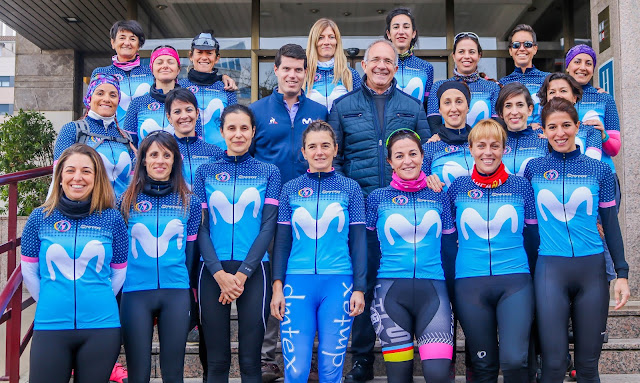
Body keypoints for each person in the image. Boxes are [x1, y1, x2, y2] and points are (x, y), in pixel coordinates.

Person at [328, 39, 429, 382]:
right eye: (376, 60)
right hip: (362, 212)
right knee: (365, 281)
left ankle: (412, 348)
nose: (382, 66)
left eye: (389, 61)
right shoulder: (343, 107)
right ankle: (362, 358)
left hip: (405, 214)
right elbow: (336, 159)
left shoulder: (413, 107)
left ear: (396, 67)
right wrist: (348, 196)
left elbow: (424, 155)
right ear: (365, 65)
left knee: (402, 280)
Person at [524, 97, 630, 382]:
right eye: (553, 127)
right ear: (543, 131)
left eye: (567, 125)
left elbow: (610, 223)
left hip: (591, 271)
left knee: (587, 367)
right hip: (549, 272)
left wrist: (621, 273)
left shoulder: (600, 170)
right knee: (554, 364)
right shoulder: (533, 169)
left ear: (577, 126)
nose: (560, 133)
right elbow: (529, 229)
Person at [21, 144, 128, 383]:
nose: (77, 177)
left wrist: (95, 296)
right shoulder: (40, 217)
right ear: (60, 177)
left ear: (96, 177)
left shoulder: (112, 218)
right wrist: (53, 298)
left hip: (101, 326)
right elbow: (29, 271)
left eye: (86, 171)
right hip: (51, 324)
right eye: (70, 170)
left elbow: (119, 272)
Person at [270, 121, 366, 383]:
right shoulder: (290, 188)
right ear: (303, 152)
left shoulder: (351, 188)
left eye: (325, 145)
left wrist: (359, 287)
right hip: (296, 283)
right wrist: (277, 286)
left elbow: (358, 243)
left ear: (335, 149)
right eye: (312, 146)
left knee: (330, 369)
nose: (319, 151)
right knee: (297, 370)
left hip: (339, 284)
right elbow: (281, 242)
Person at [192, 104, 280, 383]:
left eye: (244, 128)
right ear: (221, 131)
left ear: (254, 131)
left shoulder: (269, 171)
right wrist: (219, 273)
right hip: (211, 273)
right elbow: (200, 228)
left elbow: (268, 228)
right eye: (231, 128)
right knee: (216, 361)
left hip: (255, 272)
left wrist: (241, 275)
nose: (238, 134)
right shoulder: (205, 172)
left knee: (251, 361)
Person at [448, 119, 539, 383]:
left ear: (504, 150)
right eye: (481, 146)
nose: (488, 152)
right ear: (471, 149)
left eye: (494, 146)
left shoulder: (521, 186)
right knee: (483, 365)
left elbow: (533, 238)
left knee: (514, 360)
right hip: (469, 285)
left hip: (515, 282)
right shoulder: (457, 188)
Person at [366, 129, 455, 383]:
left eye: (413, 154)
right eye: (400, 155)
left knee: (438, 376)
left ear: (422, 156)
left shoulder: (439, 194)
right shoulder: (377, 199)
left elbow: (450, 247)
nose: (408, 161)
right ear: (389, 162)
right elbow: (369, 248)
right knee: (399, 378)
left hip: (434, 292)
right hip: (390, 294)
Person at [118, 131, 202, 383]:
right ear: (143, 159)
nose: (160, 161)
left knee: (173, 372)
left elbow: (191, 254)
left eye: (167, 155)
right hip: (134, 293)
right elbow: (118, 254)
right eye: (153, 154)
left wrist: (188, 289)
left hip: (175, 292)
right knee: (139, 373)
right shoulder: (124, 200)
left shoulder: (190, 201)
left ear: (175, 160)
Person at [250, 43, 329, 185]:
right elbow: (246, 158)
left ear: (305, 72)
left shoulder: (320, 112)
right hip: (268, 199)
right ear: (276, 70)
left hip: (308, 198)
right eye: (286, 69)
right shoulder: (255, 111)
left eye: (298, 70)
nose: (292, 75)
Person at [54, 73, 136, 198]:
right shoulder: (72, 130)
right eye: (100, 93)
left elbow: (132, 181)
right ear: (89, 97)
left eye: (113, 95)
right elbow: (59, 177)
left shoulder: (125, 137)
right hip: (87, 213)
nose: (107, 99)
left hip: (120, 214)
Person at [565, 44, 621, 205]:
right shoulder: (557, 98)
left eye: (588, 63)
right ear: (567, 66)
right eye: (577, 61)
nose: (583, 67)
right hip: (566, 179)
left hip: (604, 177)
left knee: (604, 230)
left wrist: (603, 135)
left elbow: (615, 149)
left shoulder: (605, 99)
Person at [123, 45, 199, 146]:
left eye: (170, 62)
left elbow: (197, 141)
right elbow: (128, 144)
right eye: (159, 62)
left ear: (178, 69)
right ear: (152, 69)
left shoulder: (189, 101)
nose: (165, 66)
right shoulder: (137, 103)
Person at [427, 32, 500, 134]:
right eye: (461, 52)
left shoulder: (492, 87)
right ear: (453, 56)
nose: (466, 56)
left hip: (482, 147)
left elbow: (497, 126)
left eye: (472, 52)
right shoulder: (438, 87)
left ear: (479, 56)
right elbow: (434, 125)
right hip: (449, 147)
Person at [180, 32, 238, 148]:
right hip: (187, 155)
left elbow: (234, 125)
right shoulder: (179, 87)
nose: (204, 57)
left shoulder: (227, 88)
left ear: (217, 58)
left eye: (209, 53)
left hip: (220, 153)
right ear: (191, 56)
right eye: (199, 52)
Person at [92, 20, 154, 123]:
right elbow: (92, 108)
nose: (127, 43)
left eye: (132, 39)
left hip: (145, 135)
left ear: (139, 45)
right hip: (112, 134)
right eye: (122, 38)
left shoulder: (151, 72)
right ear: (113, 43)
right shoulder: (101, 74)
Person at [166, 88, 224, 190]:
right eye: (177, 112)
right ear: (169, 117)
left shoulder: (215, 152)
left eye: (189, 110)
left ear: (197, 113)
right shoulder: (164, 151)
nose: (184, 116)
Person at [422, 81, 474, 192]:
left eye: (459, 102)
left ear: (468, 107)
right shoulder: (428, 149)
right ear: (440, 109)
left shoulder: (481, 144)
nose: (453, 108)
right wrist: (425, 181)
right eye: (447, 103)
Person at [537, 73, 602, 161]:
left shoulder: (591, 129)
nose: (558, 95)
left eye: (563, 91)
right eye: (552, 92)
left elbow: (593, 167)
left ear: (574, 98)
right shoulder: (536, 132)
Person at [304, 18, 362, 111]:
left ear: (337, 41)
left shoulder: (350, 74)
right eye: (320, 37)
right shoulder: (304, 74)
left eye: (331, 37)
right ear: (314, 42)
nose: (327, 42)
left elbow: (362, 109)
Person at [498, 24, 550, 128]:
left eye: (527, 44)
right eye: (516, 45)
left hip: (543, 139)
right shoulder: (502, 83)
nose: (522, 49)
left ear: (535, 49)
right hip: (512, 139)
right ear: (510, 50)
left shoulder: (548, 80)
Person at [384, 7, 434, 107]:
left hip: (417, 121)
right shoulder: (380, 65)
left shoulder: (426, 67)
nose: (401, 32)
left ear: (413, 33)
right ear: (389, 34)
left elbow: (427, 106)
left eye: (406, 27)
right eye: (396, 27)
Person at [496, 83, 548, 176]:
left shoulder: (544, 141)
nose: (515, 112)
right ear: (500, 112)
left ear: (530, 110)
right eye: (508, 105)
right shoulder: (494, 143)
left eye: (520, 105)